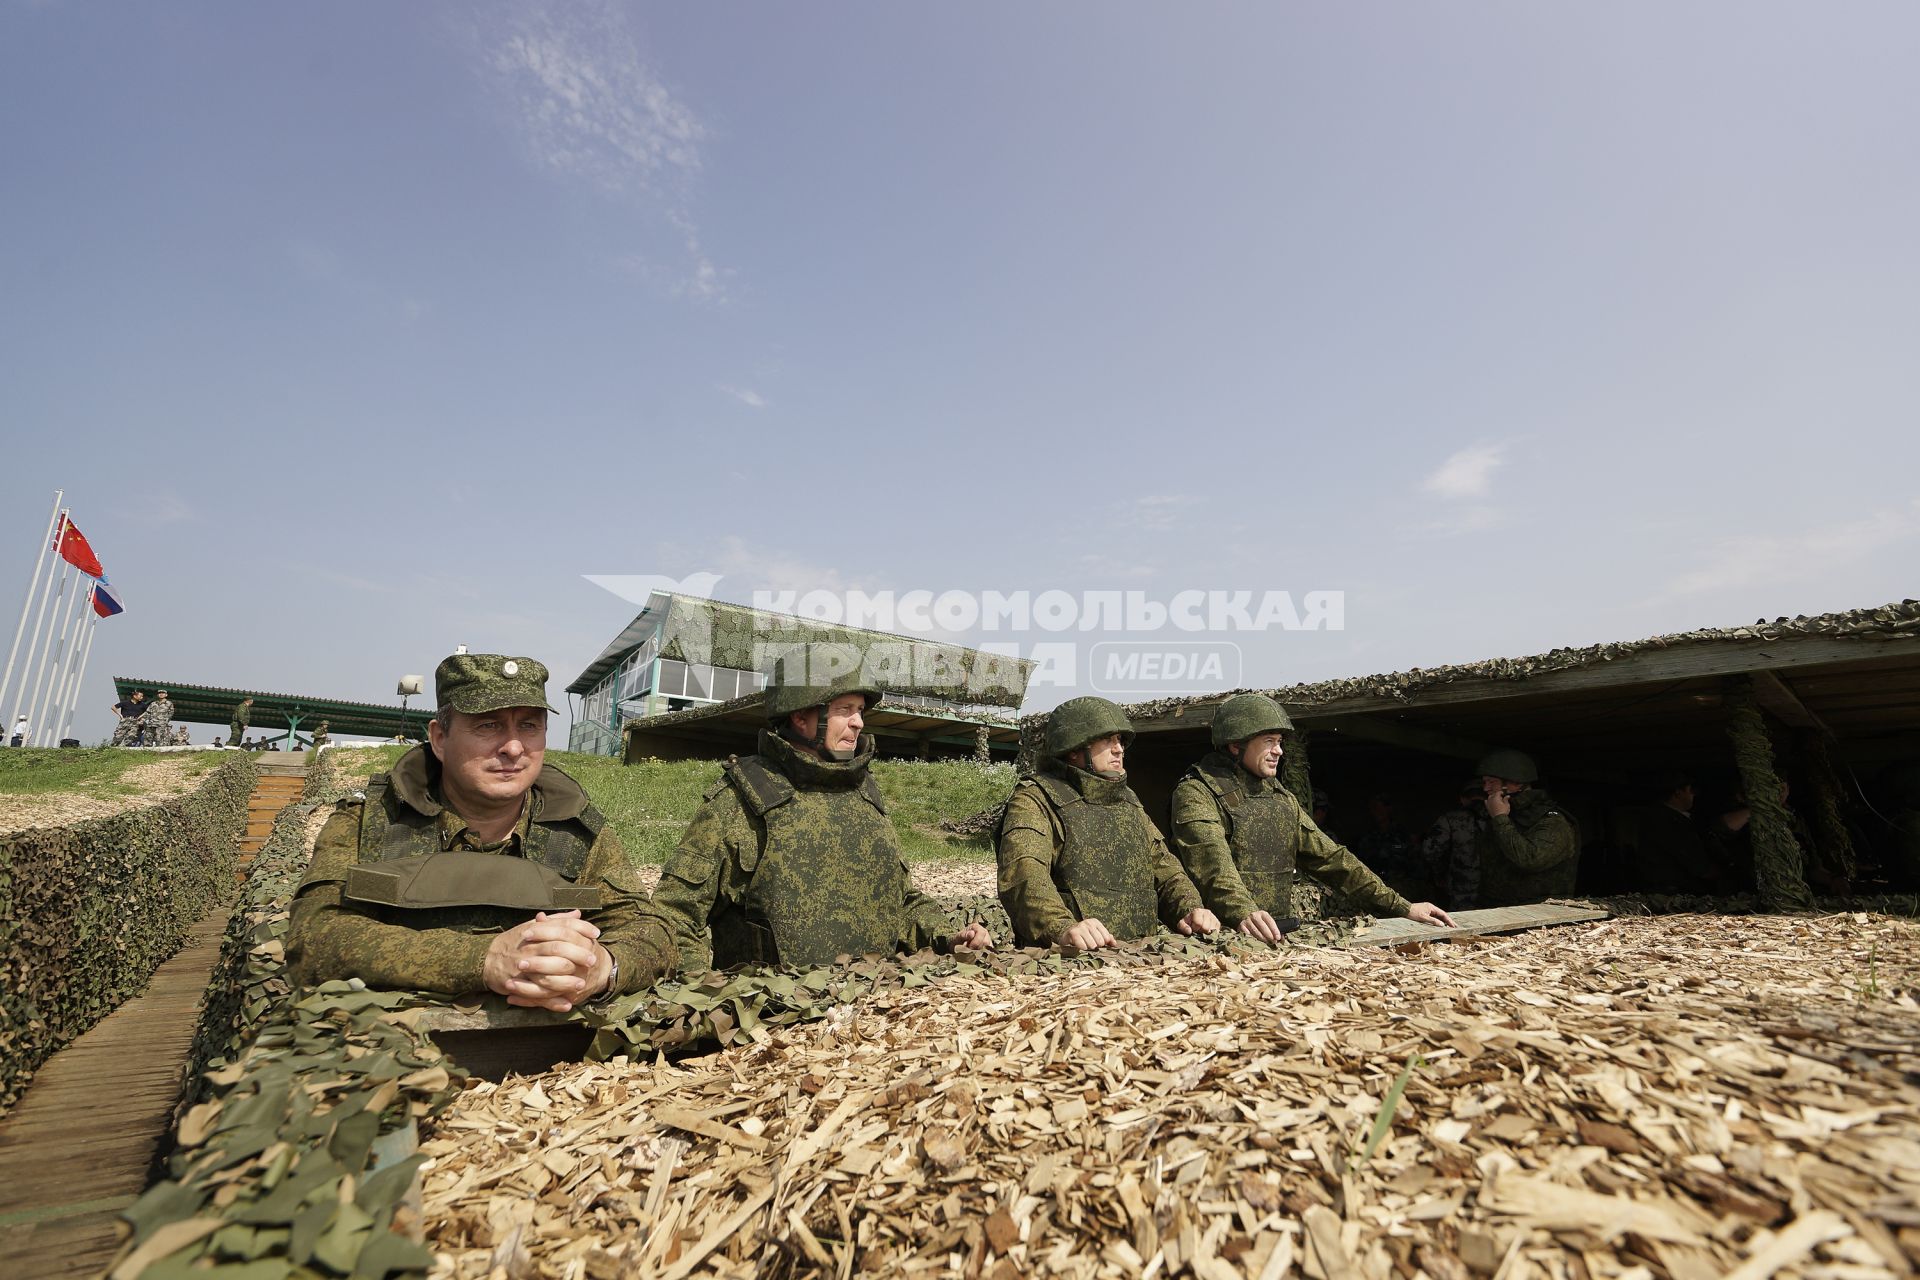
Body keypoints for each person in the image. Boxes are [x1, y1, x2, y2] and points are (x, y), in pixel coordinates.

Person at [285, 653, 675, 1008]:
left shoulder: (573, 829)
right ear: (439, 738)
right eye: (488, 725)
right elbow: (313, 938)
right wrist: (483, 960)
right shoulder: (372, 821)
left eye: (529, 726)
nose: (513, 748)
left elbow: (653, 932)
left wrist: (600, 968)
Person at [652, 649, 992, 972]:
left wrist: (949, 938)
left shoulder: (866, 793)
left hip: (872, 1017)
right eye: (845, 709)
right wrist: (705, 996)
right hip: (776, 1021)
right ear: (801, 716)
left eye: (860, 710)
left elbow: (902, 903)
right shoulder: (743, 799)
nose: (859, 722)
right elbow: (674, 917)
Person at [1170, 694, 1453, 940]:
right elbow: (1214, 868)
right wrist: (1244, 913)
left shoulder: (1280, 797)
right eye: (1269, 741)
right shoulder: (1197, 792)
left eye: (1279, 741)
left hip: (1274, 934)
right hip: (1221, 937)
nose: (1278, 751)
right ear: (1235, 745)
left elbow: (1333, 860)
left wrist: (1403, 907)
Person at [998, 696, 1218, 949]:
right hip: (1071, 961)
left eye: (1120, 741)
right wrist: (1061, 928)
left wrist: (1190, 909)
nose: (1119, 749)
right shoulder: (1035, 798)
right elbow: (1024, 875)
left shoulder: (1128, 800)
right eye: (1107, 740)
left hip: (1141, 956)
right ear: (1073, 749)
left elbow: (1164, 869)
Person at [1475, 749, 1579, 906]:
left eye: (1492, 782)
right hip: (1499, 909)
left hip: (1541, 914)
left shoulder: (1553, 821)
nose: (1486, 788)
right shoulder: (1504, 814)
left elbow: (1530, 860)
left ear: (1516, 783)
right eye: (1484, 782)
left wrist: (1500, 818)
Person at [1629, 770, 1728, 894]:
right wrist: (1722, 873)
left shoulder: (1662, 816)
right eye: (1690, 790)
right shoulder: (1667, 821)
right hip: (1675, 891)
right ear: (1678, 793)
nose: (1693, 796)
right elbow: (1694, 861)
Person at [1419, 780, 1488, 909]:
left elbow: (1429, 852)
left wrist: (1439, 875)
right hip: (1496, 893)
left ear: (1463, 799)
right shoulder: (1501, 818)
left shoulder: (1450, 819)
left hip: (1460, 892)